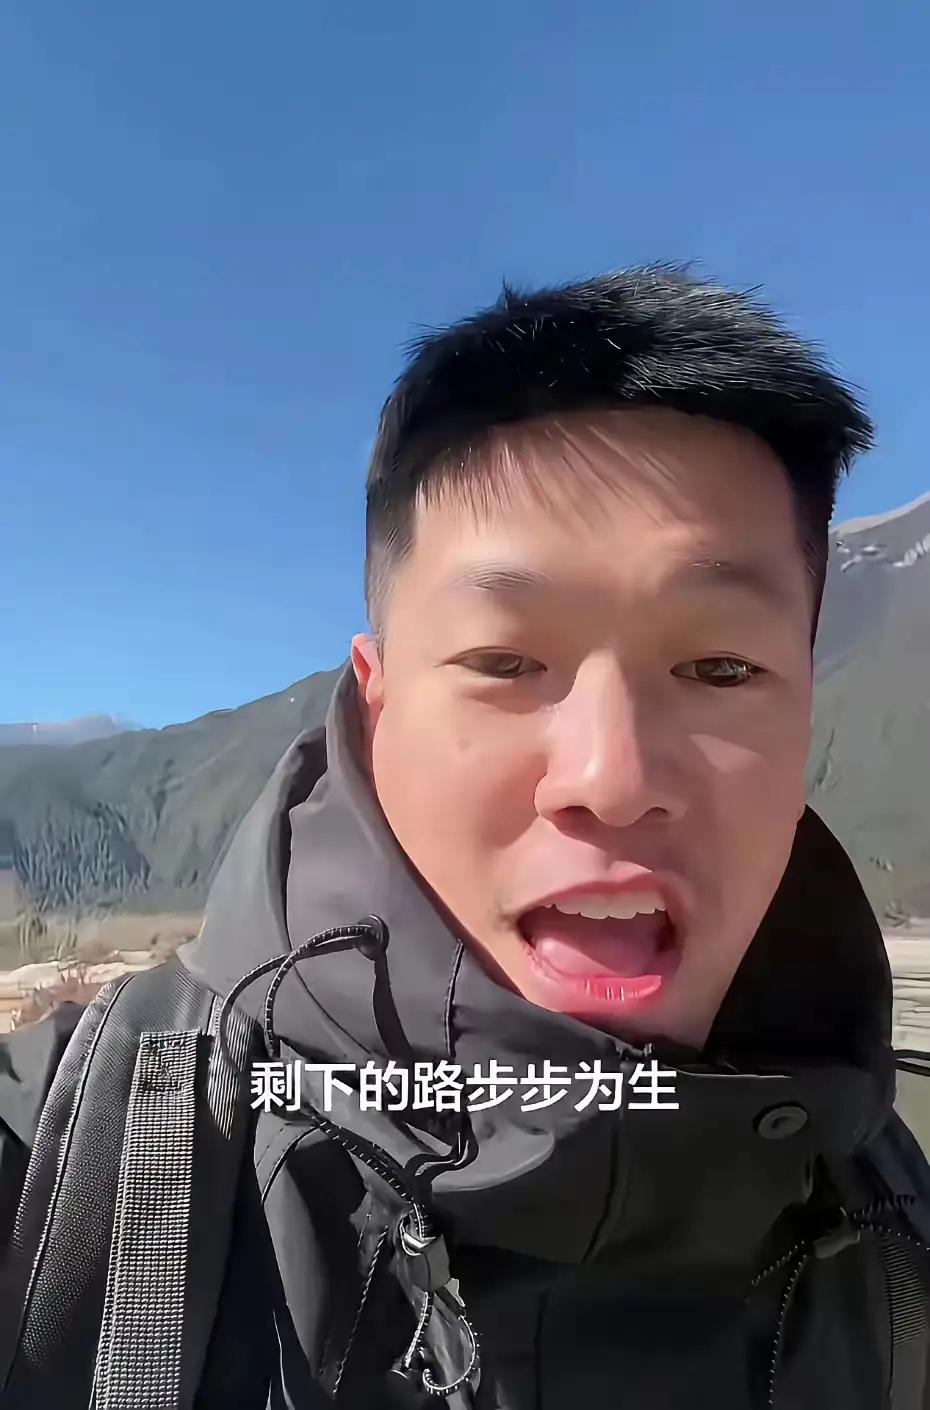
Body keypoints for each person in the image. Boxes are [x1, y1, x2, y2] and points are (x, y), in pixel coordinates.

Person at [2, 266, 929, 1410]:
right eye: (505, 662)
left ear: (806, 713)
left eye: (720, 668)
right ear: (377, 701)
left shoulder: (892, 1219)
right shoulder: (62, 1164)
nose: (611, 779)